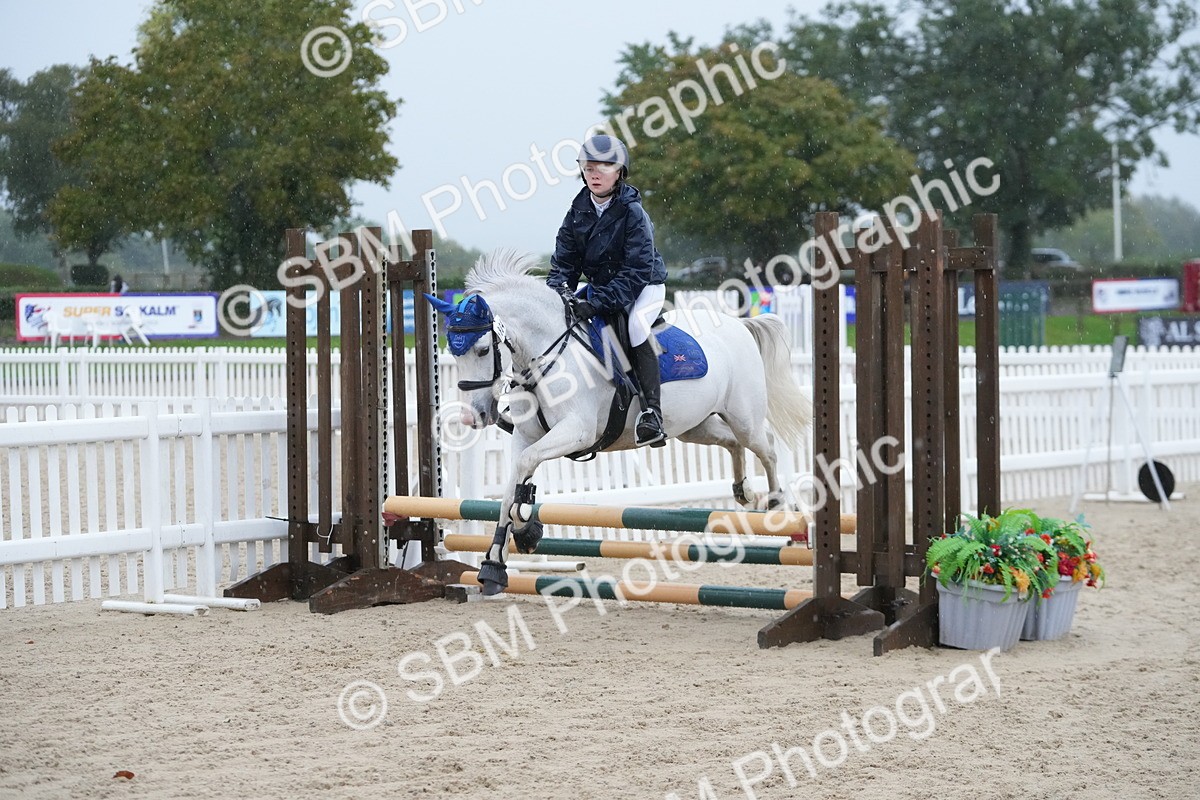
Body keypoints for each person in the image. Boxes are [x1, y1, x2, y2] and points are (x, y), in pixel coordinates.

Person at [546, 134, 668, 447]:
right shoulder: (576, 213)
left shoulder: (632, 213)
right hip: (603, 288)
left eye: (604, 166)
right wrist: (559, 295)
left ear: (619, 172)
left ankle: (652, 414)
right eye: (588, 167)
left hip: (643, 285)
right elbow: (564, 264)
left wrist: (597, 301)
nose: (594, 173)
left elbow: (635, 272)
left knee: (637, 327)